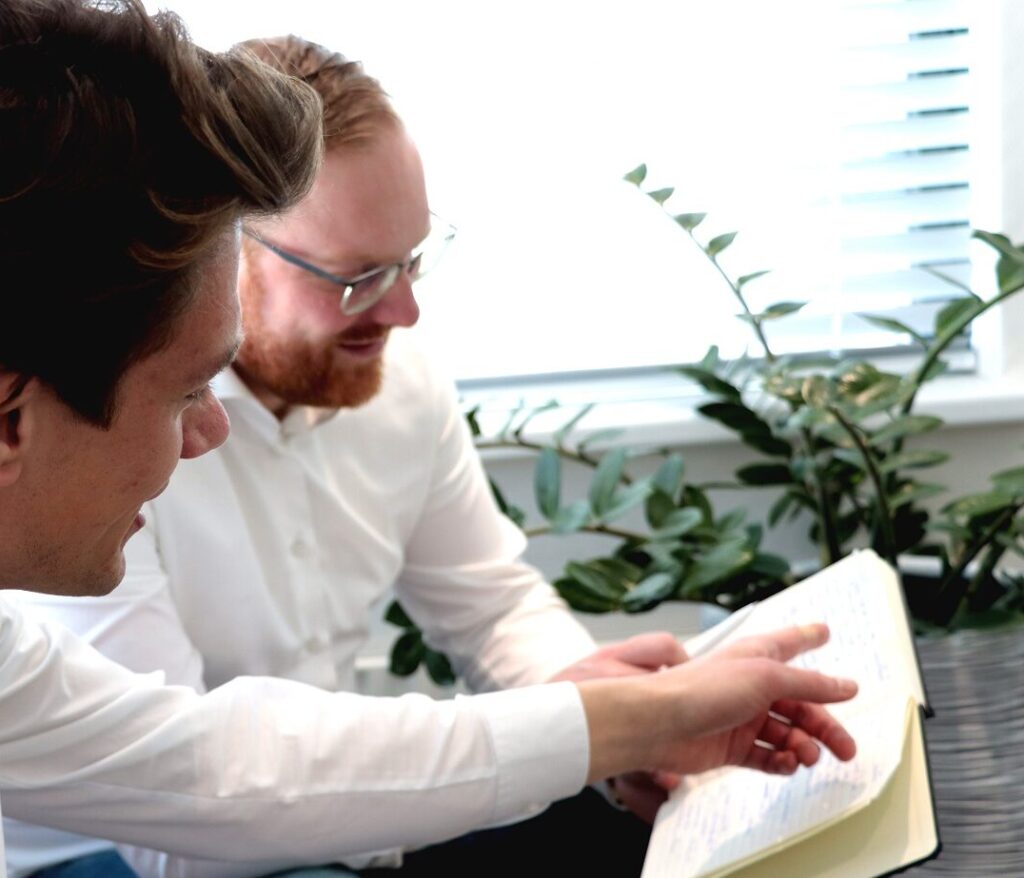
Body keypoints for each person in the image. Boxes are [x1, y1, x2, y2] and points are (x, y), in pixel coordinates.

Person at [5, 31, 860, 878]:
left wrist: (597, 706)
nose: (404, 312)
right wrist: (611, 720)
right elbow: (189, 806)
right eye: (355, 278)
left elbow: (483, 607)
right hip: (124, 848)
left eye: (411, 261)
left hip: (308, 790)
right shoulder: (101, 445)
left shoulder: (395, 383)